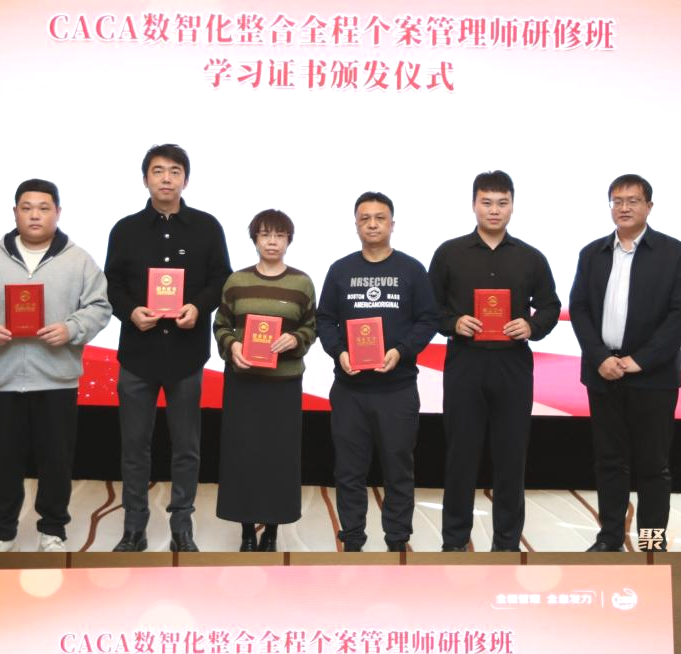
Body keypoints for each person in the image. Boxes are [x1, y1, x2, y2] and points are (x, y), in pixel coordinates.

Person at [0, 177, 111, 551]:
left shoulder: (78, 260)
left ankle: (53, 529)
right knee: (3, 460)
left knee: (56, 461)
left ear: (58, 212)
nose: (35, 215)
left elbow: (99, 307)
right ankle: (1, 531)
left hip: (57, 380)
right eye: (26, 208)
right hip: (4, 380)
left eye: (43, 208)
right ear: (15, 213)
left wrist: (71, 329)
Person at [105, 143, 230, 552]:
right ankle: (134, 528)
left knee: (186, 448)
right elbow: (112, 284)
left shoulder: (207, 227)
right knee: (134, 448)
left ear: (185, 180)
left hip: (186, 354)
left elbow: (221, 279)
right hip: (137, 355)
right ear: (145, 178)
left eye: (175, 171)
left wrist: (198, 307)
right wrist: (130, 312)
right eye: (158, 171)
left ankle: (182, 527)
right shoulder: (125, 229)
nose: (166, 178)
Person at [428, 170, 561, 550]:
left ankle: (506, 543)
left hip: (512, 365)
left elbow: (550, 306)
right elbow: (429, 308)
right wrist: (454, 322)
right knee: (460, 455)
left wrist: (531, 326)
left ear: (512, 206)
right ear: (474, 205)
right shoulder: (449, 253)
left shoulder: (530, 258)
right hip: (465, 363)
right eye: (486, 202)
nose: (494, 210)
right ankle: (454, 542)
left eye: (502, 203)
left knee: (511, 457)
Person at [569, 174, 681, 551]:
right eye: (617, 201)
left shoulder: (674, 252)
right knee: (609, 462)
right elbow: (579, 308)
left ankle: (652, 543)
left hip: (653, 379)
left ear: (648, 207)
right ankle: (609, 538)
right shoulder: (592, 253)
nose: (624, 208)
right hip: (603, 374)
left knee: (653, 465)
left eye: (633, 201)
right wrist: (600, 357)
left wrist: (640, 360)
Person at [317, 191, 439, 551]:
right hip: (350, 390)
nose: (372, 224)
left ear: (392, 224)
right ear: (356, 225)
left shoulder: (411, 270)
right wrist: (339, 352)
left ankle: (397, 541)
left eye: (380, 218)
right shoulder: (340, 270)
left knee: (399, 469)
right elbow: (325, 319)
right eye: (365, 218)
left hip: (397, 389)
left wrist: (401, 351)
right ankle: (352, 540)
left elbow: (428, 319)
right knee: (348, 471)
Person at [214, 209, 316, 551]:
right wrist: (233, 346)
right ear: (255, 239)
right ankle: (246, 530)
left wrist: (295, 339)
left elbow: (311, 327)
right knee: (243, 455)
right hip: (244, 382)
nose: (272, 242)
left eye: (279, 235)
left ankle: (272, 530)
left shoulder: (301, 282)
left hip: (283, 384)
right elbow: (221, 325)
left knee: (279, 458)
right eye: (265, 234)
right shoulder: (236, 281)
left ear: (289, 240)